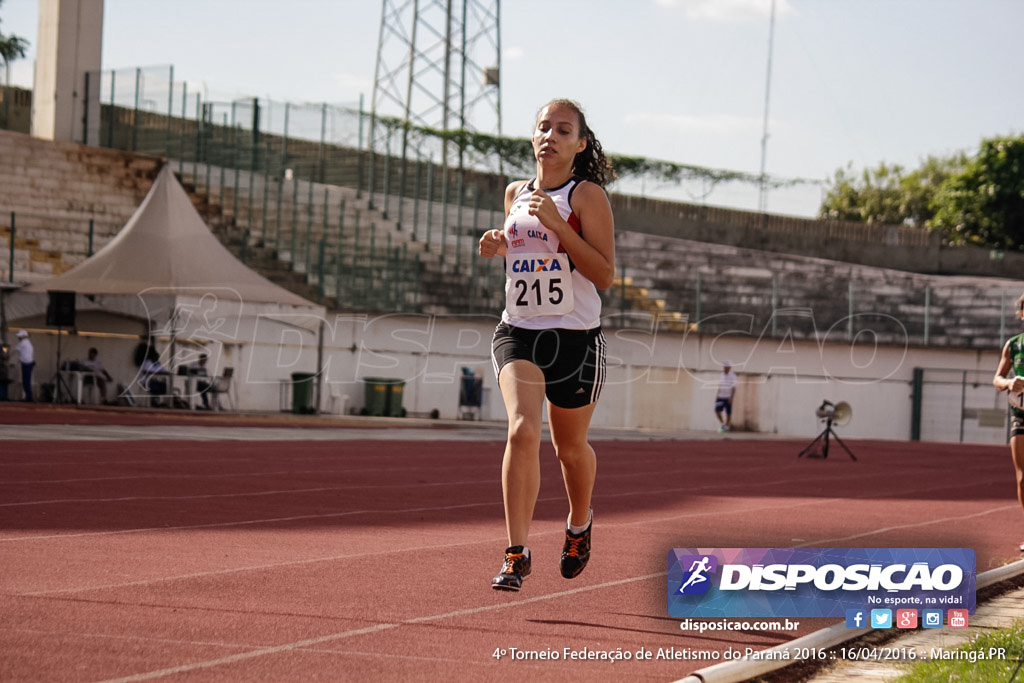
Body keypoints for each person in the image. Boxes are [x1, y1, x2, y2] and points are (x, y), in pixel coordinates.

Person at [478, 99, 616, 592]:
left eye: (563, 129)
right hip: (519, 331)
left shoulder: (587, 197)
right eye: (543, 127)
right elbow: (525, 258)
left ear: (579, 143)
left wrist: (559, 227)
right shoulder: (516, 192)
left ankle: (579, 523)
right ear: (533, 137)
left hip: (575, 339)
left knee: (569, 448)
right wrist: (499, 245)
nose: (550, 136)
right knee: (521, 430)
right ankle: (517, 552)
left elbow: (604, 274)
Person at [992, 291, 1024, 552]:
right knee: (1023, 478)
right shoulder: (1013, 345)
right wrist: (1009, 383)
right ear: (1022, 314)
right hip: (1020, 414)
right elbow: (997, 379)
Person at [714, 361, 738, 433]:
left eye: (727, 367)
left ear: (729, 368)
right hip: (720, 396)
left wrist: (732, 397)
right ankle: (723, 424)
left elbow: (734, 387)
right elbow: (720, 385)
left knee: (728, 413)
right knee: (717, 411)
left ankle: (727, 427)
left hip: (728, 397)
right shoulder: (722, 375)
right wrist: (717, 395)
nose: (725, 368)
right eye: (725, 367)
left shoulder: (733, 376)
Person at [14, 329, 34, 402]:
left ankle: (29, 396)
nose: (18, 338)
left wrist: (7, 355)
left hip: (27, 364)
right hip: (27, 363)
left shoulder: (23, 342)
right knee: (26, 381)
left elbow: (15, 350)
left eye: (19, 336)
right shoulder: (28, 343)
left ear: (23, 336)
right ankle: (28, 396)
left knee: (26, 381)